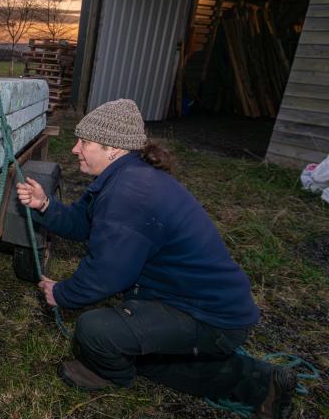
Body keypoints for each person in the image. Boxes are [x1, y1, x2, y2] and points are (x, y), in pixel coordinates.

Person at [16, 99, 297, 419]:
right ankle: (263, 383)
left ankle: (114, 375)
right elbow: (81, 224)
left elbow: (108, 274)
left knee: (95, 330)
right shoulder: (123, 177)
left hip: (210, 317)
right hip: (193, 302)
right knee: (138, 348)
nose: (75, 149)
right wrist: (44, 205)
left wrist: (63, 294)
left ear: (113, 149)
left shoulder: (129, 194)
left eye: (85, 142)